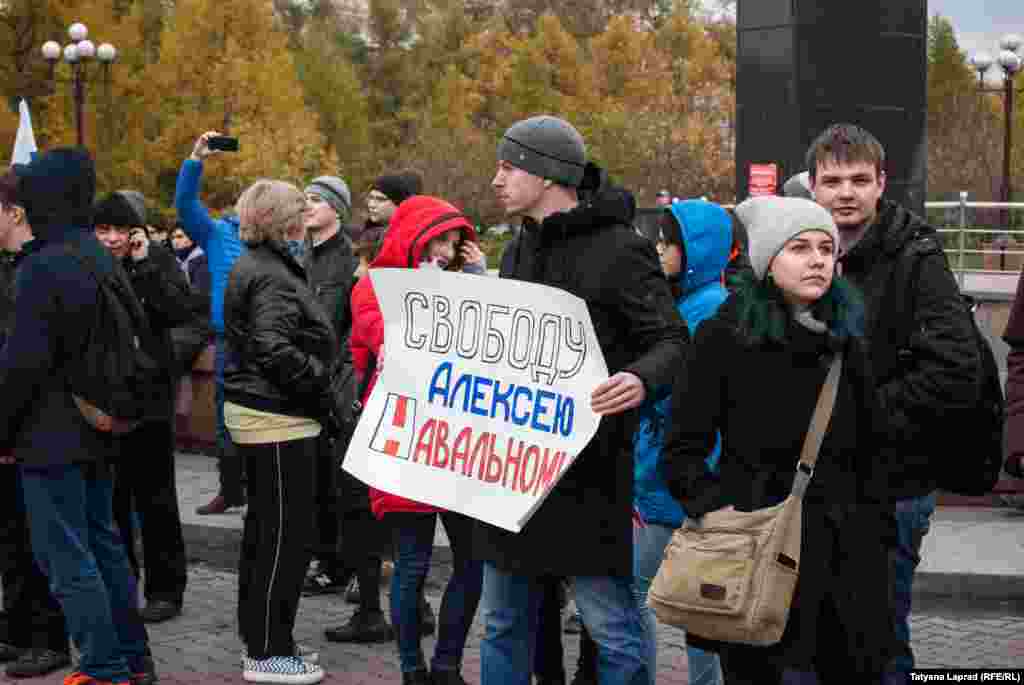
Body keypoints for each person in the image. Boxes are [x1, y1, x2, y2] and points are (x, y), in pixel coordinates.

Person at [478, 114, 687, 685]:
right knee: (502, 622)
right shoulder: (519, 248)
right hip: (516, 474)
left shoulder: (621, 249)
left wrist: (642, 378)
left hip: (589, 475)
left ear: (546, 174)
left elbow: (671, 340)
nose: (495, 179)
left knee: (611, 628)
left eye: (507, 166)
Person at [662, 195, 895, 684]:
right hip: (756, 545)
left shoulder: (847, 337)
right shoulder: (725, 336)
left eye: (826, 249)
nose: (817, 260)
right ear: (768, 262)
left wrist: (875, 532)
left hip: (845, 554)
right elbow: (682, 447)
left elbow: (875, 448)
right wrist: (714, 508)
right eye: (800, 248)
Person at [805, 123, 981, 681]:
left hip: (893, 482)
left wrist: (861, 415)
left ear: (882, 183)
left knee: (880, 642)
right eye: (832, 181)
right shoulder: (799, 250)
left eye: (859, 179)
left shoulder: (917, 256)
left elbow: (955, 368)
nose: (846, 192)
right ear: (812, 187)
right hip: (816, 483)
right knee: (819, 642)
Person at [0, 148, 157, 685]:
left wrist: (3, 431)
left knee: (67, 559)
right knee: (105, 547)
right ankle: (134, 661)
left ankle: (103, 668)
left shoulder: (43, 265)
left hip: (48, 434)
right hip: (98, 427)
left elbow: (21, 365)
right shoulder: (95, 253)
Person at [574, 200, 730, 685]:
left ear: (695, 250)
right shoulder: (687, 303)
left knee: (651, 597)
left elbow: (695, 402)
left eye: (668, 241)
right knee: (692, 603)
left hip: (676, 483)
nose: (659, 249)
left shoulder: (707, 311)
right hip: (664, 478)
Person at [349, 195, 484, 685]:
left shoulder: (462, 286)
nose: (447, 251)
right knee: (413, 564)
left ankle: (446, 665)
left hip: (458, 445)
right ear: (413, 237)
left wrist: (480, 285)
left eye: (455, 242)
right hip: (405, 441)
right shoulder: (371, 289)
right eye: (440, 239)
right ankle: (413, 670)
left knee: (473, 563)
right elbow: (393, 341)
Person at [224, 179, 342, 685]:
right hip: (278, 417)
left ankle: (266, 638)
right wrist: (321, 384)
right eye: (298, 208)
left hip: (264, 412)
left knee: (266, 533)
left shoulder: (261, 264)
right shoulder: (272, 273)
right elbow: (272, 346)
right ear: (281, 219)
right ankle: (269, 651)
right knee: (283, 538)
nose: (304, 215)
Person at [93, 190, 198, 625]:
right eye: (104, 230)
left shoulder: (156, 261)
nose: (113, 239)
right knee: (113, 502)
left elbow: (180, 311)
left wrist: (145, 265)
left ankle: (166, 588)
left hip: (150, 399)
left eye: (121, 230)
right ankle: (122, 583)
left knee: (156, 499)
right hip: (106, 400)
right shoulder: (90, 264)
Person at [0, 168, 72, 679]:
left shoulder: (38, 269)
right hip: (13, 423)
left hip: (35, 426)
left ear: (15, 212)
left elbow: (26, 359)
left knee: (36, 541)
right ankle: (17, 628)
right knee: (11, 538)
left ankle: (46, 639)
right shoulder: (13, 266)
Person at [175, 131, 247, 515]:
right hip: (227, 343)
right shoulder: (220, 233)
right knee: (223, 421)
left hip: (265, 344)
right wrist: (195, 160)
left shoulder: (282, 241)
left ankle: (260, 492)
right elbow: (185, 205)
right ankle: (230, 488)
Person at [299, 175, 358, 598]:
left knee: (340, 482)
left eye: (317, 200)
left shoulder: (349, 259)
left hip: (336, 381)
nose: (308, 205)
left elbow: (352, 324)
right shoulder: (299, 255)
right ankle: (325, 560)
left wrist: (343, 381)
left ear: (337, 209)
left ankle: (346, 563)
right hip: (304, 378)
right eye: (305, 198)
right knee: (314, 481)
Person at [358, 171, 423, 245]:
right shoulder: (366, 235)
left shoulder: (409, 239)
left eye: (380, 199)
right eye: (371, 198)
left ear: (398, 204)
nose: (372, 205)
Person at [171, 223, 211, 295]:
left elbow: (200, 292)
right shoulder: (176, 259)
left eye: (180, 237)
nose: (175, 241)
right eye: (172, 238)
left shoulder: (202, 260)